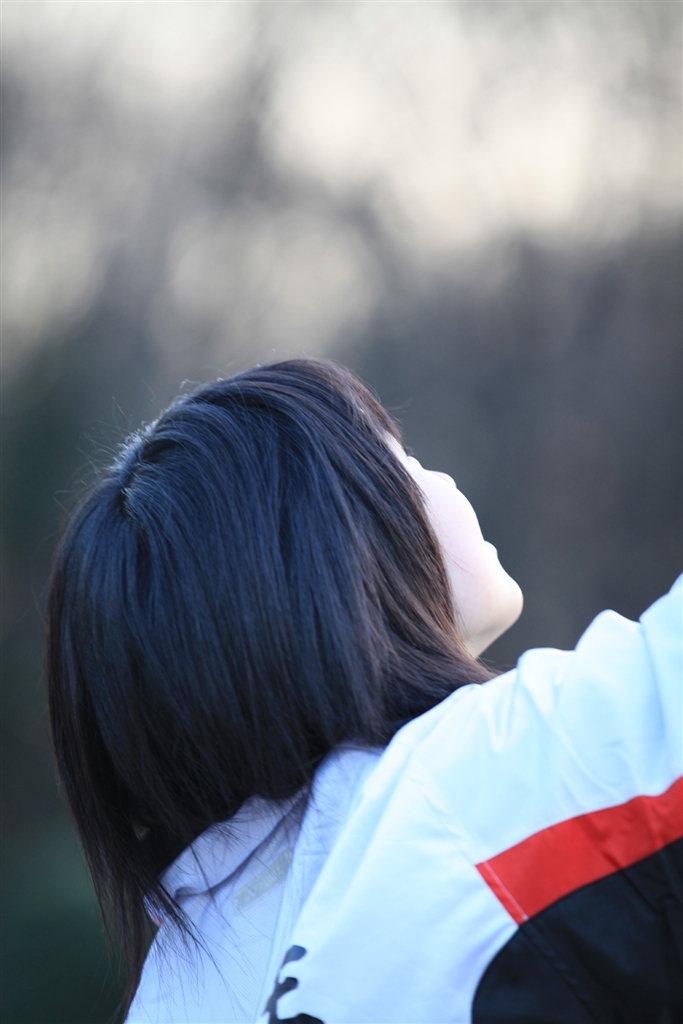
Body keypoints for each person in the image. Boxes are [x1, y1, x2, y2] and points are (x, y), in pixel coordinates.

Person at [46, 359, 681, 1024]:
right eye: (400, 456)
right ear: (328, 559)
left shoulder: (171, 995)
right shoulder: (491, 779)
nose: (440, 478)